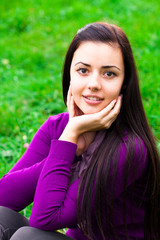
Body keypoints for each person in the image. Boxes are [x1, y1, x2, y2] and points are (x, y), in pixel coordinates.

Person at [0, 22, 160, 240]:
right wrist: (68, 147)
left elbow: (44, 219)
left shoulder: (129, 148)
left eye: (109, 74)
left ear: (124, 83)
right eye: (83, 70)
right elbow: (4, 199)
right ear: (70, 75)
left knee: (28, 237)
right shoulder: (59, 127)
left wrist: (69, 138)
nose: (94, 84)